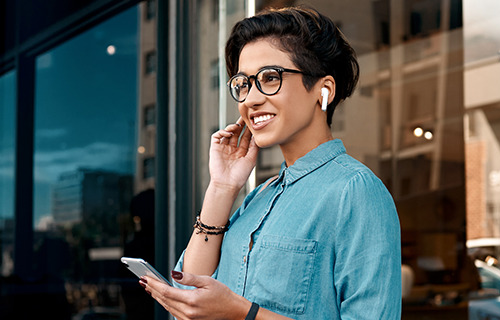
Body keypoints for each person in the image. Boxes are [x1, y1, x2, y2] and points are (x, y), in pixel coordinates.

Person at [140, 6, 401, 320]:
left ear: (324, 90)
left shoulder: (355, 191)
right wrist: (222, 188)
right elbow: (188, 298)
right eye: (243, 84)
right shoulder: (260, 197)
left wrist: (243, 313)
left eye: (270, 78)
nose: (250, 99)